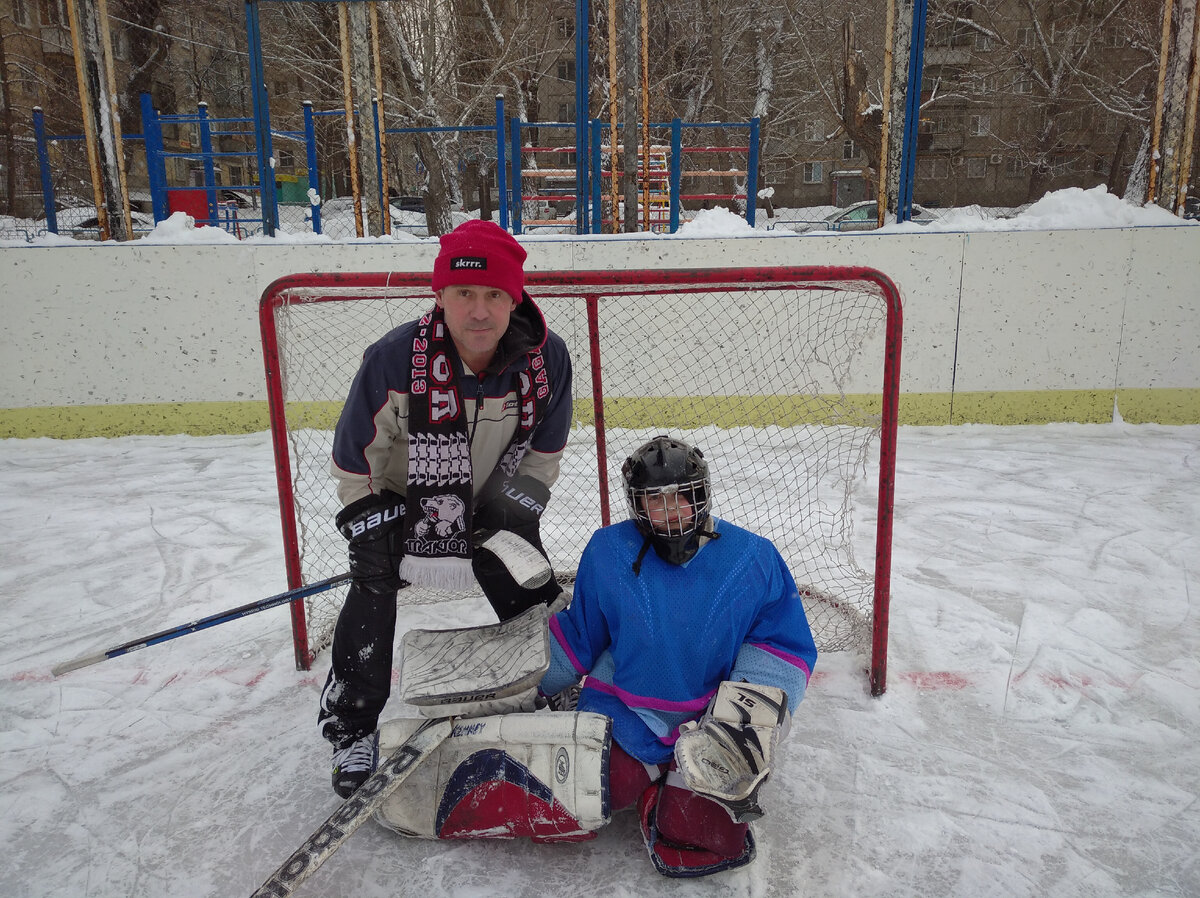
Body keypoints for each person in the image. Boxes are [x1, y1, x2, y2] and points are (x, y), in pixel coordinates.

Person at [319, 219, 572, 798]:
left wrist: (512, 509)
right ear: (439, 295)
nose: (479, 312)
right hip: (402, 500)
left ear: (515, 299)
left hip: (494, 493)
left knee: (524, 574)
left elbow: (545, 451)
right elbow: (355, 456)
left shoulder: (547, 359)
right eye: (463, 293)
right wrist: (370, 520)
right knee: (374, 579)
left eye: (494, 295)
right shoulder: (393, 358)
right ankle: (352, 724)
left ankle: (555, 677)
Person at [535, 434, 818, 876]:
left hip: (710, 717)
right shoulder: (608, 550)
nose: (670, 511)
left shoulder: (752, 556)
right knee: (585, 796)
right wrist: (529, 684)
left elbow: (780, 644)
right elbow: (581, 633)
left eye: (682, 497)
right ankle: (653, 779)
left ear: (701, 495)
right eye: (655, 501)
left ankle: (664, 789)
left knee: (702, 838)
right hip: (626, 709)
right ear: (636, 506)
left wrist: (739, 720)